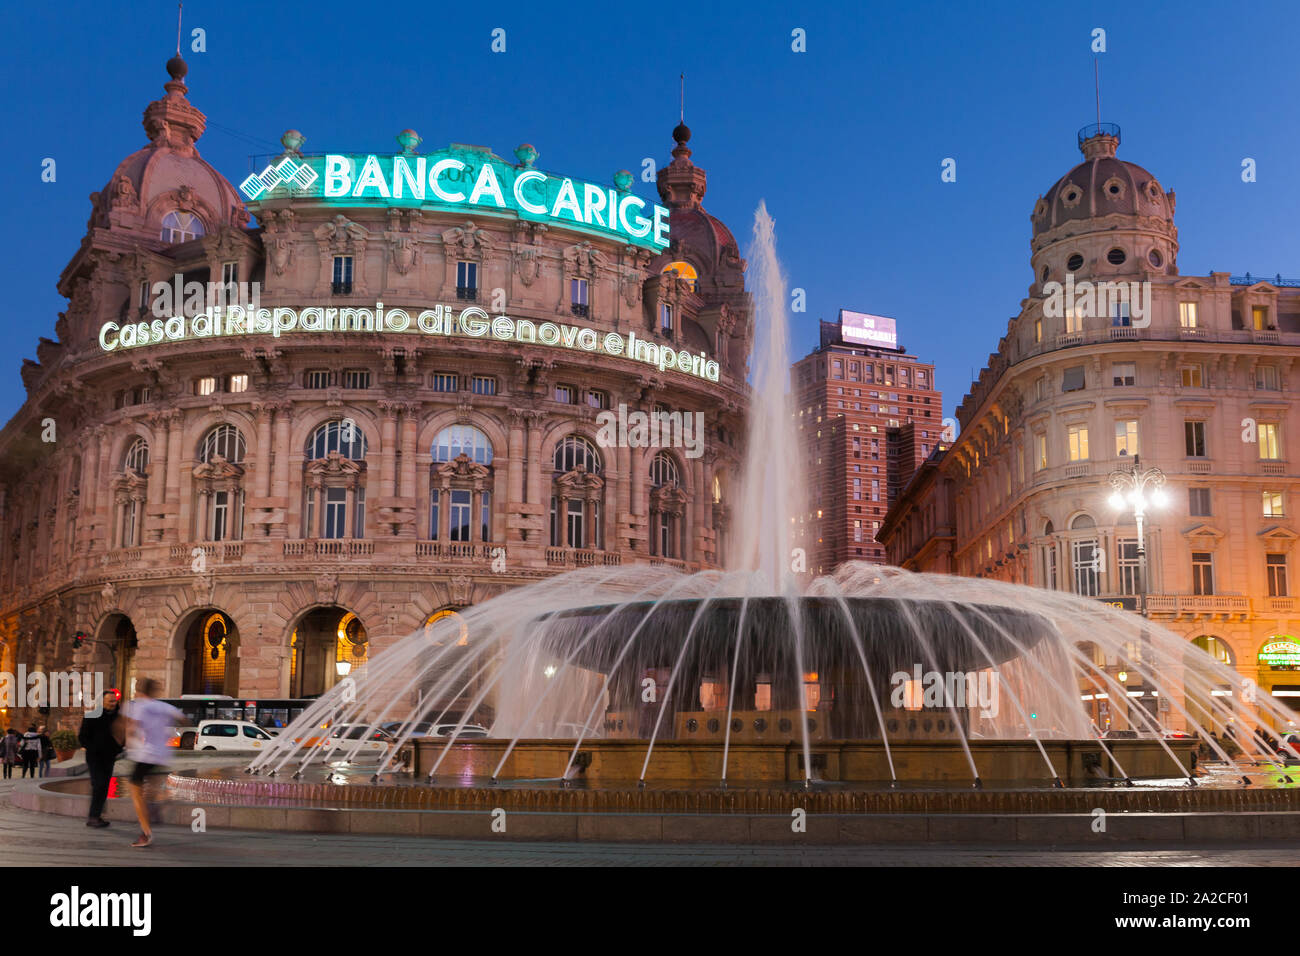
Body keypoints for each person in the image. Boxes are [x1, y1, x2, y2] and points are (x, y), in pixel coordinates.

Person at [122, 678, 184, 848]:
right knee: (150, 788)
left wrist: (129, 741)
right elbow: (184, 720)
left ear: (140, 690)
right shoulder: (164, 706)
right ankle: (155, 806)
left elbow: (132, 728)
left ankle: (146, 832)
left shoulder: (139, 705)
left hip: (145, 755)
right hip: (163, 756)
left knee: (135, 792)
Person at [78, 691, 125, 828]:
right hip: (95, 757)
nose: (113, 703)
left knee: (104, 786)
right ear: (102, 702)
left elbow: (123, 735)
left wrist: (118, 749)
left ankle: (97, 816)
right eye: (110, 701)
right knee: (98, 784)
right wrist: (93, 748)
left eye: (114, 701)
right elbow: (82, 737)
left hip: (110, 757)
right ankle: (93, 816)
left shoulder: (119, 718)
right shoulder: (91, 716)